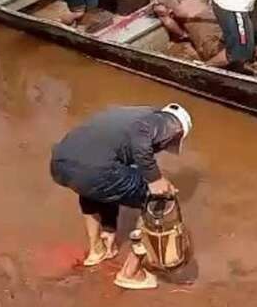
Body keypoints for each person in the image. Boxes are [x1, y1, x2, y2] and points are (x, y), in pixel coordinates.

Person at [50, 104, 193, 290]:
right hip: (95, 168)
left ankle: (97, 249)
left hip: (62, 163)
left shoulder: (126, 115)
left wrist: (109, 226)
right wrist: (155, 179)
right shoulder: (164, 122)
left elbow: (107, 177)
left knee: (94, 183)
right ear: (177, 131)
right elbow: (140, 135)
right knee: (157, 200)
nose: (164, 147)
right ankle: (130, 273)